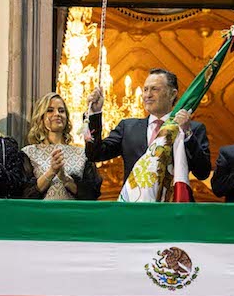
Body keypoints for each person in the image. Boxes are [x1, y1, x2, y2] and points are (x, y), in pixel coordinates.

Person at [86, 69, 211, 200]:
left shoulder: (192, 128)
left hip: (174, 208)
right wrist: (94, 115)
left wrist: (187, 133)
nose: (148, 95)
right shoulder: (127, 127)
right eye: (145, 90)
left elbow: (203, 172)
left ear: (172, 94)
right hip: (135, 208)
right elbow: (95, 154)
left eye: (154, 89)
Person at [22, 92, 102, 200]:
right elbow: (23, 195)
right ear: (40, 117)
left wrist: (65, 179)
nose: (57, 114)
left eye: (61, 111)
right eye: (50, 110)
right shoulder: (29, 153)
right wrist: (51, 172)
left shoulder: (82, 154)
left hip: (73, 215)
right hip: (39, 215)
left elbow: (92, 194)